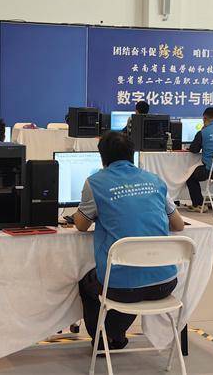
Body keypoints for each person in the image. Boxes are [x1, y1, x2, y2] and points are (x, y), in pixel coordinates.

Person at [74, 131, 184, 351]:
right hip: (165, 283)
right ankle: (115, 333)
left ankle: (105, 339)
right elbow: (178, 225)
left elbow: (81, 225)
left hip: (121, 288)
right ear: (132, 154)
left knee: (88, 283)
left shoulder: (95, 182)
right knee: (130, 281)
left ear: (102, 157)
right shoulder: (155, 180)